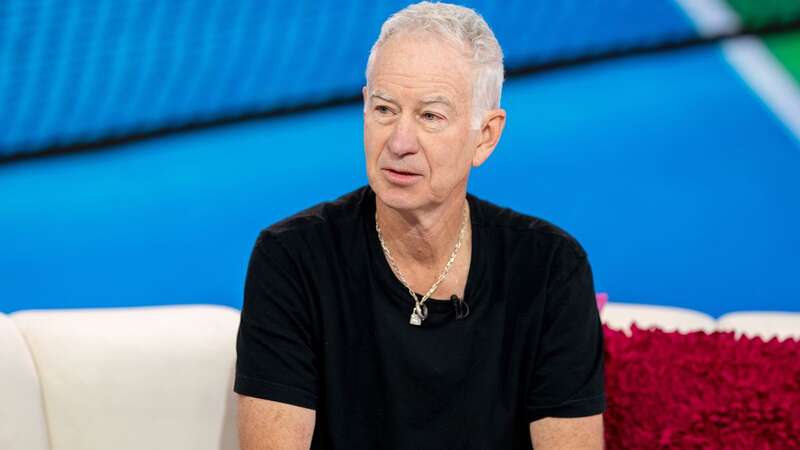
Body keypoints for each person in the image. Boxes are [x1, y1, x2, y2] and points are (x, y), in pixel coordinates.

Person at [234, 2, 605, 449]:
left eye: (430, 116)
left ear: (485, 136)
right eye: (385, 109)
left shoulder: (550, 268)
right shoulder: (292, 259)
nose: (400, 142)